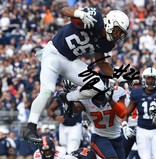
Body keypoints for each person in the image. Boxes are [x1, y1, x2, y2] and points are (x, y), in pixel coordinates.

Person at [20, 6, 130, 144]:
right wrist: (79, 14)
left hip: (69, 61)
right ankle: (30, 127)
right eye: (117, 31)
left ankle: (67, 97)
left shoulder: (107, 43)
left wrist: (118, 75)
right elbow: (64, 10)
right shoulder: (95, 17)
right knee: (47, 90)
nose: (117, 35)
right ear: (110, 23)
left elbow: (102, 64)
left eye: (120, 33)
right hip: (53, 53)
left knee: (98, 86)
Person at [69, 79, 127, 159]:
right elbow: (73, 110)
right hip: (99, 136)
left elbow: (122, 112)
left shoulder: (117, 93)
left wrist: (110, 100)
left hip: (116, 138)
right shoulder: (85, 98)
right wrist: (68, 98)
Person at [47, 79, 82, 154]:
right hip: (63, 125)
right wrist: (56, 117)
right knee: (63, 150)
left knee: (72, 150)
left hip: (75, 125)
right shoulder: (60, 94)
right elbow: (50, 110)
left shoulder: (79, 93)